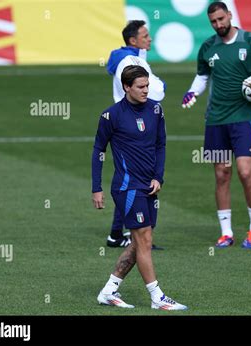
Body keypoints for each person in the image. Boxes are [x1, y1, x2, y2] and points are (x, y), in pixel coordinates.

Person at [182, 1, 251, 249]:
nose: (218, 25)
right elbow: (203, 75)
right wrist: (192, 92)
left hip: (244, 118)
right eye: (213, 22)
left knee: (245, 171)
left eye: (221, 19)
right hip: (216, 119)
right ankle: (226, 232)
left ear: (229, 15)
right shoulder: (207, 47)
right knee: (221, 174)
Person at [92, 65, 187, 309]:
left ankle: (109, 290)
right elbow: (98, 151)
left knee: (139, 242)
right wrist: (96, 188)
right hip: (127, 187)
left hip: (149, 186)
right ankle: (157, 297)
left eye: (147, 86)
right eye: (141, 87)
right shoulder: (111, 116)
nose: (147, 90)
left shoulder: (156, 110)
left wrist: (159, 177)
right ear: (126, 87)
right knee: (143, 240)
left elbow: (161, 145)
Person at [105, 20, 165, 249]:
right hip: (134, 126)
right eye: (145, 35)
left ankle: (117, 234)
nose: (150, 39)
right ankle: (139, 235)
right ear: (133, 40)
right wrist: (160, 84)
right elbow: (158, 91)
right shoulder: (133, 61)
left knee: (130, 179)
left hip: (126, 124)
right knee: (138, 180)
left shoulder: (124, 59)